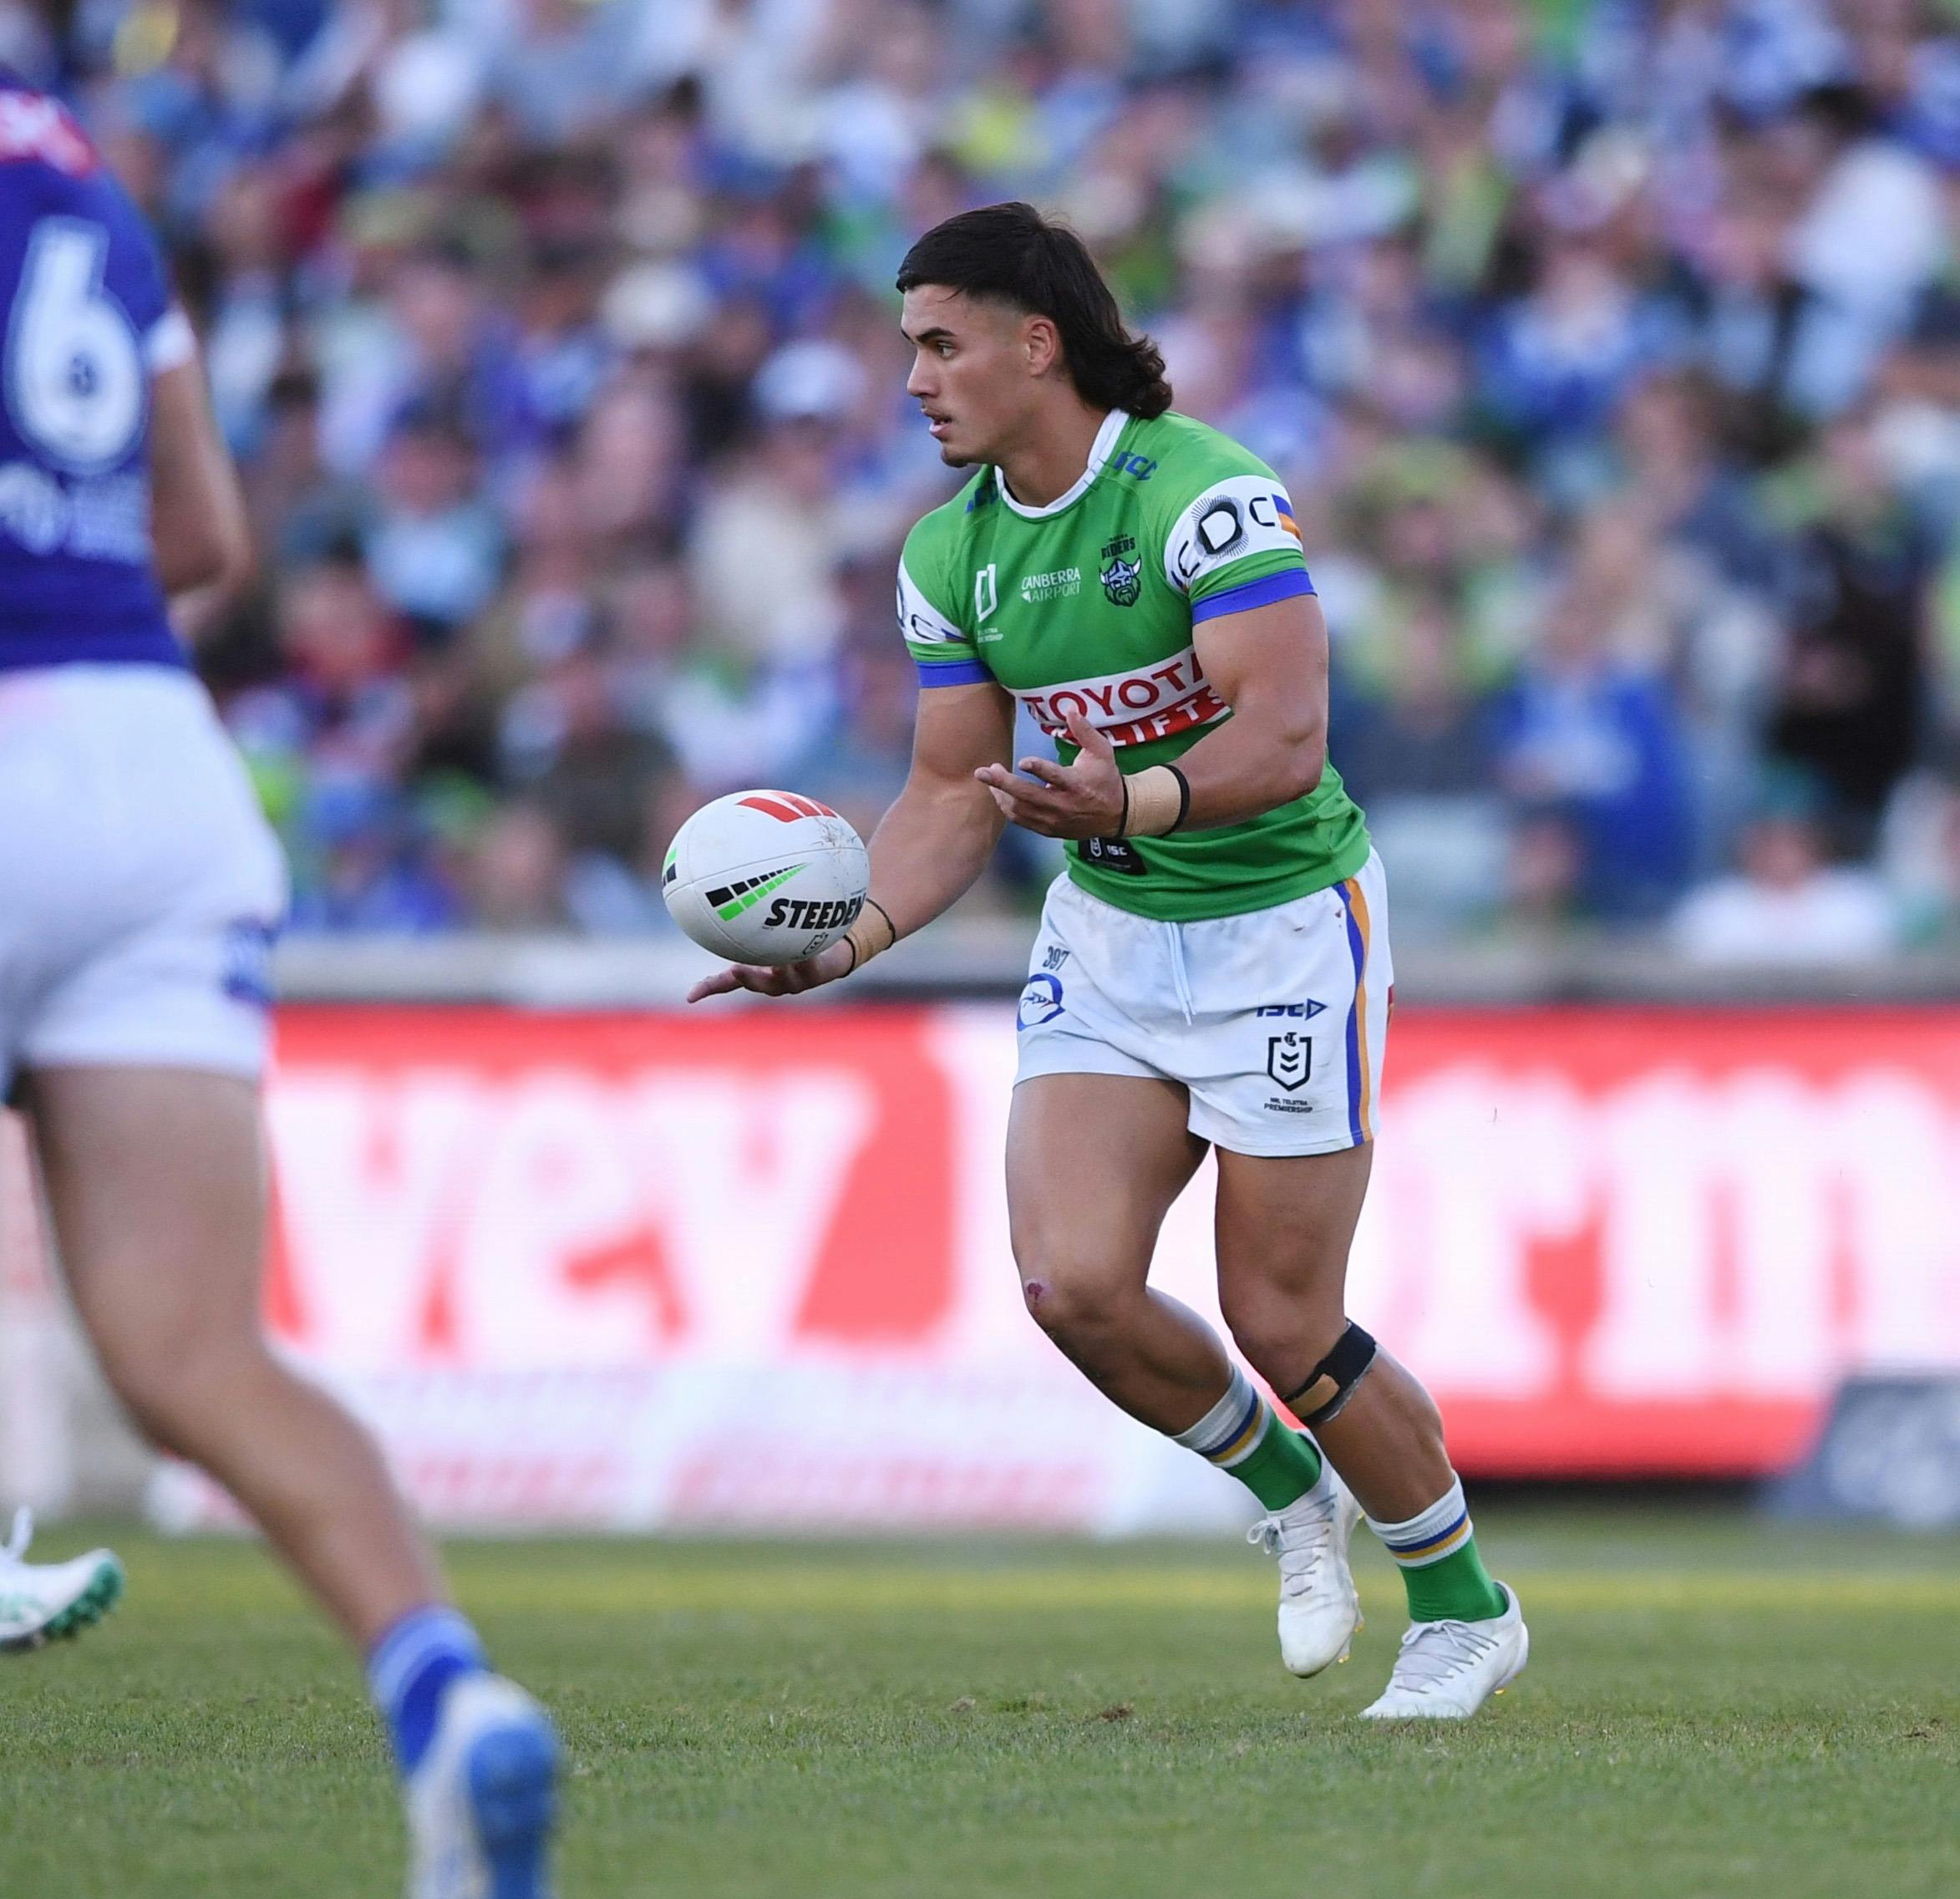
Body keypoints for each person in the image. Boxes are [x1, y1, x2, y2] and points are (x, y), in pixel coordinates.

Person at [691, 201, 1527, 1719]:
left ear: (1037, 340)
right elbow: (949, 788)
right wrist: (851, 935)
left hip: (1284, 924)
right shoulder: (947, 554)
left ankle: (1465, 1608)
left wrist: (1128, 797)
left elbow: (1283, 737)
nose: (915, 380)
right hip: (1115, 932)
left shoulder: (1201, 496)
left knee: (1282, 1316)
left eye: (941, 345)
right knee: (1069, 1282)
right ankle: (1289, 1492)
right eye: (906, 351)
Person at [0, 68, 558, 1891]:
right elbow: (207, 544)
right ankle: (445, 1696)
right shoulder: (79, 174)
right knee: (193, 1353)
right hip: (158, 771)